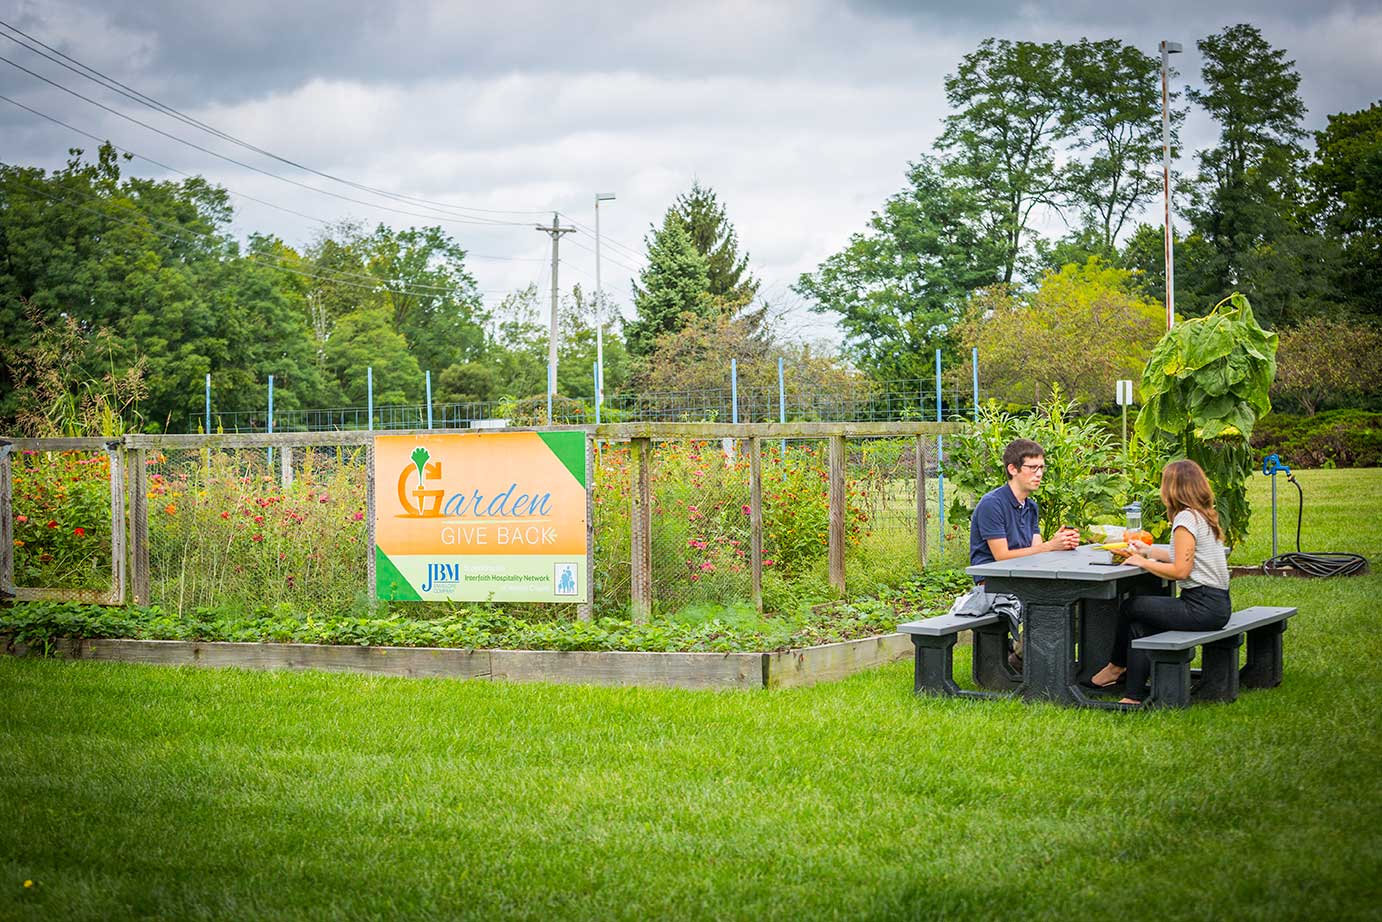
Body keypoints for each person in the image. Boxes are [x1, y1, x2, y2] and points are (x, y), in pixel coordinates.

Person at [1089, 459, 1232, 705]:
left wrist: (1142, 563)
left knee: (1131, 606)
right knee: (1138, 628)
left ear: (1173, 488)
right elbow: (1182, 555)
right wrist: (1147, 551)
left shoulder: (1185, 520)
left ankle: (1115, 667)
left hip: (1202, 606)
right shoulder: (1202, 516)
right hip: (1216, 604)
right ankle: (1132, 696)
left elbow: (1180, 571)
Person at [969, 438, 1080, 668]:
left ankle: (1040, 659)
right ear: (1013, 469)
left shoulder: (1030, 506)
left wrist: (1062, 543)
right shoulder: (992, 504)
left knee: (1079, 600)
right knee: (1052, 604)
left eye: (1042, 468)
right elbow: (1001, 557)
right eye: (1032, 468)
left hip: (1025, 579)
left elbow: (1037, 553)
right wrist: (1050, 546)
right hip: (994, 585)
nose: (1039, 474)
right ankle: (1024, 659)